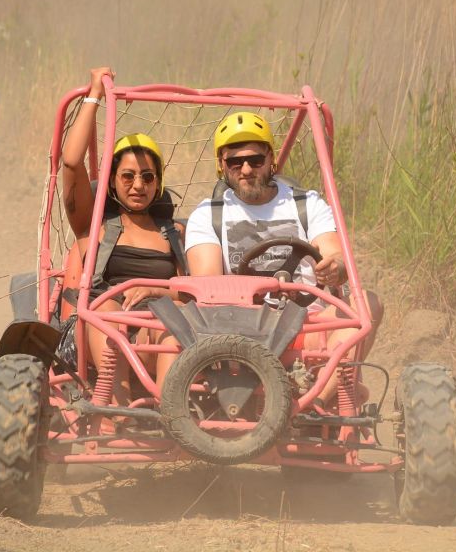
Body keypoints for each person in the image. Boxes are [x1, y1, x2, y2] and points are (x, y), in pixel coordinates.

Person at [182, 111, 382, 409]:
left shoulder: (307, 204)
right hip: (238, 333)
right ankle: (326, 396)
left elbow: (335, 255)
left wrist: (335, 268)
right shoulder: (208, 215)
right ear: (221, 165)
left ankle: (318, 403)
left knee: (367, 303)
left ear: (270, 160)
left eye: (255, 160)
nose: (246, 169)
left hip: (307, 327)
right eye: (235, 162)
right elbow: (207, 288)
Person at [61, 67, 184, 422]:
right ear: (112, 182)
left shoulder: (173, 232)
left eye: (148, 177)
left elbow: (191, 295)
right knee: (110, 312)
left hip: (156, 330)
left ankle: (170, 417)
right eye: (127, 176)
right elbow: (71, 163)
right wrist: (95, 94)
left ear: (158, 183)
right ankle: (117, 413)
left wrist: (154, 291)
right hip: (99, 330)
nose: (138, 185)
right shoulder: (93, 226)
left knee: (171, 325)